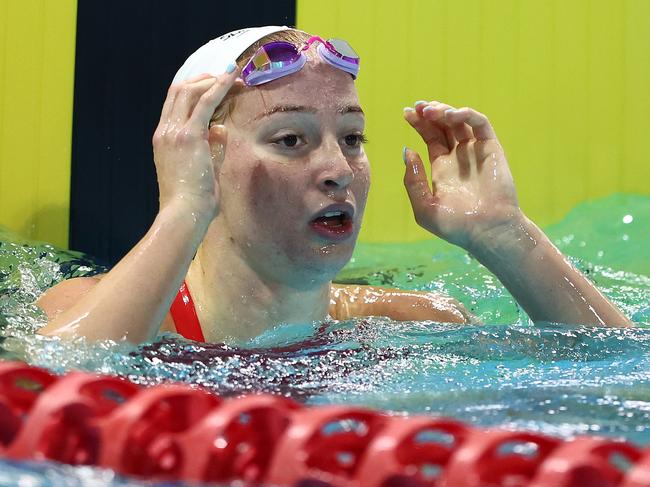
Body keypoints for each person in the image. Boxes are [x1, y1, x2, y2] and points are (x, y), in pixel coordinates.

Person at [35, 26, 632, 344]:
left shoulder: (411, 323)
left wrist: (506, 236)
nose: (339, 169)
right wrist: (183, 210)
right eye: (290, 140)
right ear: (202, 156)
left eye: (351, 137)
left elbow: (622, 373)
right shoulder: (88, 312)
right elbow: (62, 379)